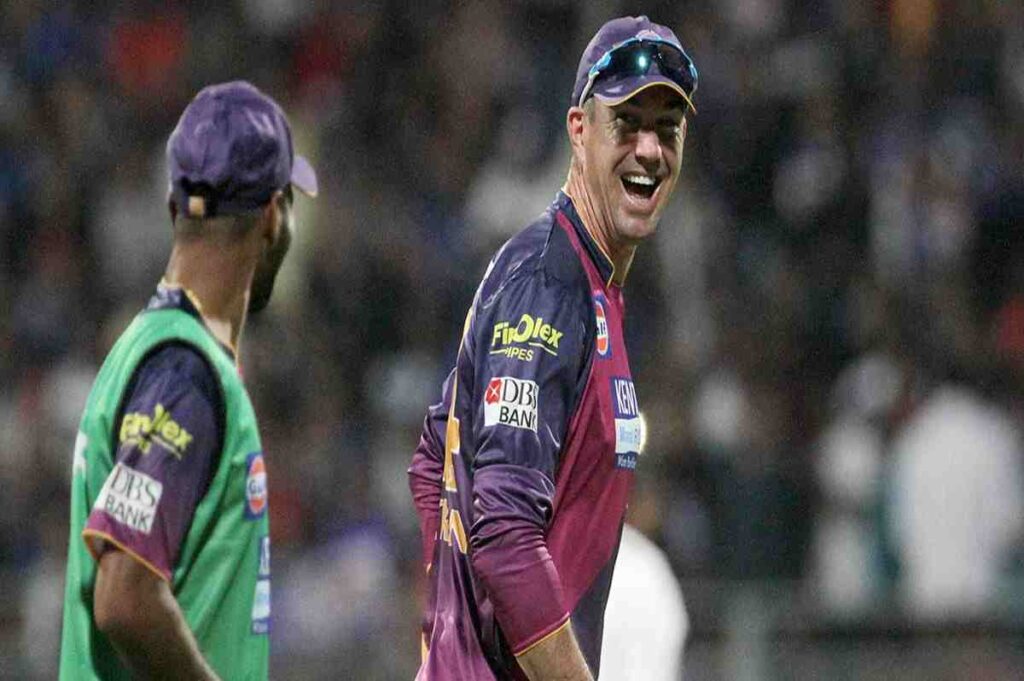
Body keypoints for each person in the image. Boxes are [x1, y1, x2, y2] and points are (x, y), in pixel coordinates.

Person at [408, 16, 698, 681]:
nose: (650, 149)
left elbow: (434, 455)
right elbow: (505, 533)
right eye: (627, 123)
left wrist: (452, 627)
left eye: (668, 128)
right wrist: (459, 641)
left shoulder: (590, 283)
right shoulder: (549, 283)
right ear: (579, 129)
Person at [59, 81, 317, 680]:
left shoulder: (147, 348)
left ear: (174, 208)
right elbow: (125, 596)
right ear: (273, 216)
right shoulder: (184, 374)